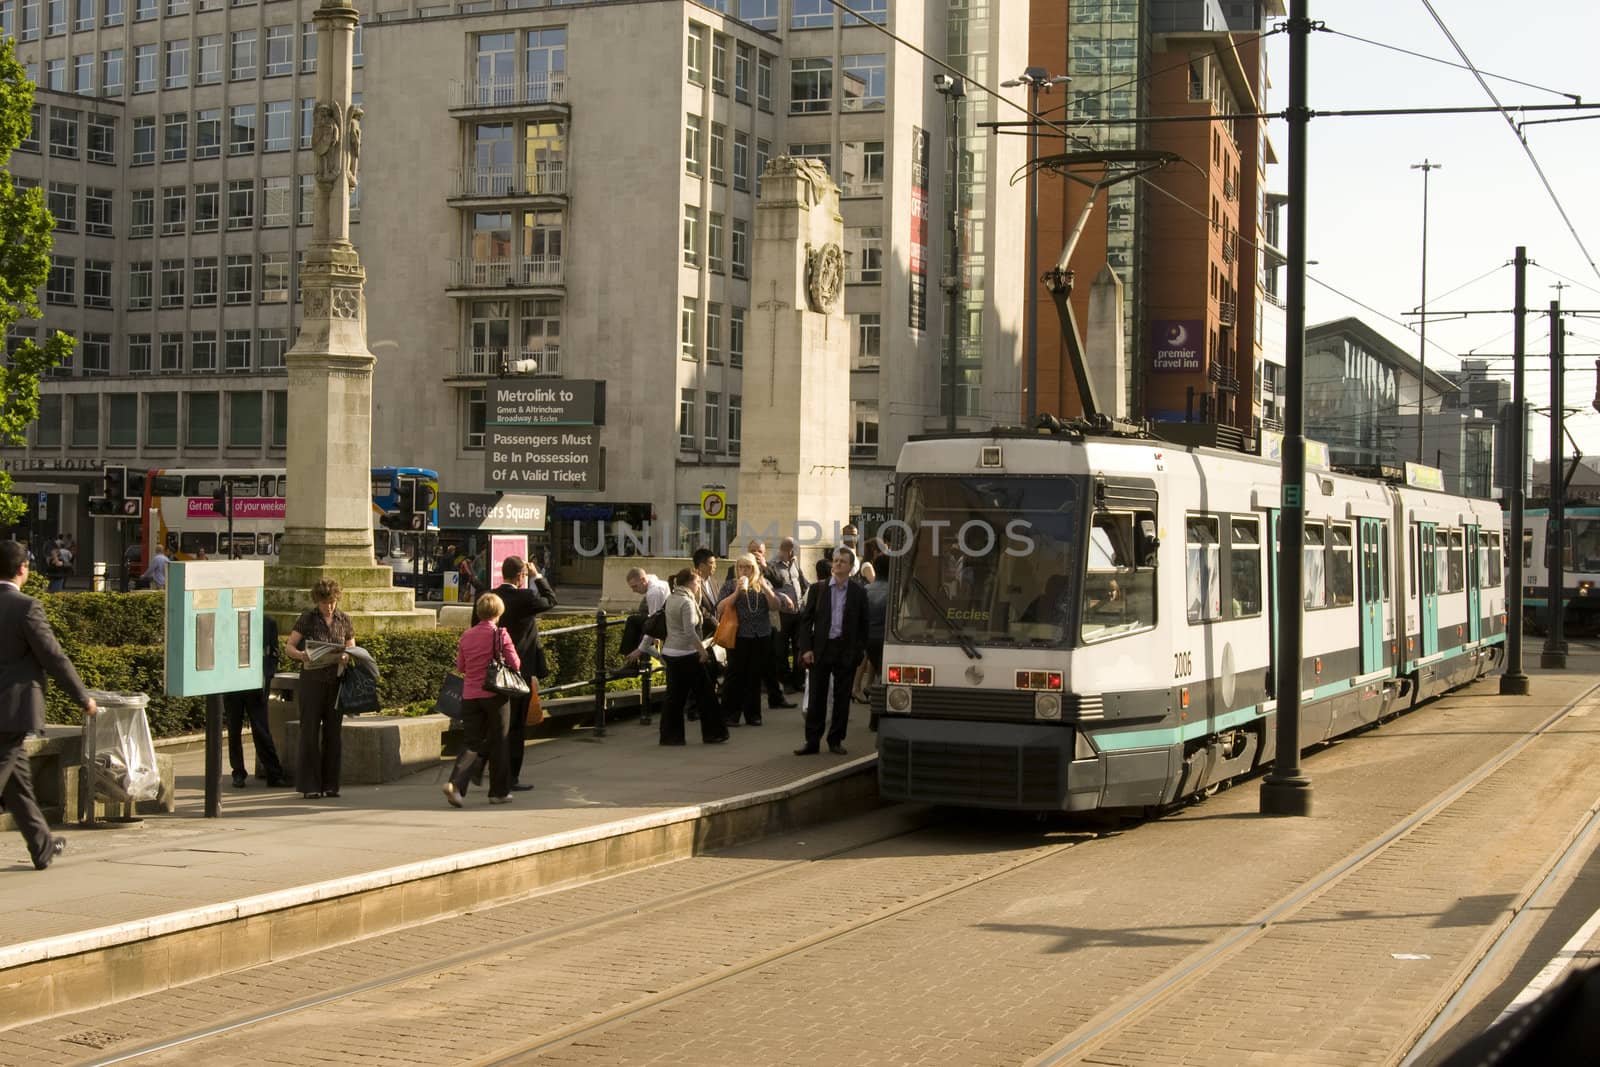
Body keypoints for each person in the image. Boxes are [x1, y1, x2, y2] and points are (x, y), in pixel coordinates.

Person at [0, 541, 97, 870]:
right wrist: (82, 697)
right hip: (13, 710)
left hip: (7, 713)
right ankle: (41, 844)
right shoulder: (27, 607)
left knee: (18, 784)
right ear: (22, 569)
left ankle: (41, 845)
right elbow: (53, 657)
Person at [444, 592, 520, 807]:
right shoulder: (500, 634)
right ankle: (498, 792)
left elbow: (461, 667)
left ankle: (456, 785)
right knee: (499, 742)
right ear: (498, 612)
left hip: (470, 695)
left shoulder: (467, 635)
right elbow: (515, 664)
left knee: (471, 741)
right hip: (495, 695)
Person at [284, 578, 356, 799]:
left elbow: (353, 646)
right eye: (325, 602)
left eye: (333, 602)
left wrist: (346, 655)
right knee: (309, 732)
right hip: (312, 683)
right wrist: (301, 655)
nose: (330, 606)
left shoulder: (344, 619)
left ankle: (331, 785)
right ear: (318, 601)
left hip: (335, 683)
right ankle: (310, 785)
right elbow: (289, 646)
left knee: (333, 734)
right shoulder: (307, 618)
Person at [796, 547, 870, 756]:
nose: (837, 564)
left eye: (842, 562)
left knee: (841, 697)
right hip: (822, 648)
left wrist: (858, 652)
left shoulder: (858, 592)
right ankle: (812, 741)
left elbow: (864, 624)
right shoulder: (818, 589)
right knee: (816, 697)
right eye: (835, 561)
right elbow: (806, 621)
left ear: (850, 567)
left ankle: (836, 740)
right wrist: (806, 649)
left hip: (845, 650)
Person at [492, 555, 556, 791]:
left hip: (494, 671)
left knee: (498, 725)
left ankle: (492, 771)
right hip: (520, 670)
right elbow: (551, 599)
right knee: (517, 726)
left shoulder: (489, 596)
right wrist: (536, 575)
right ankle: (512, 777)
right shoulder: (526, 597)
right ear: (521, 576)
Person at [659, 569, 728, 746]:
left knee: (674, 697)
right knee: (706, 696)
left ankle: (670, 736)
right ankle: (714, 733)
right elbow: (689, 631)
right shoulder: (686, 602)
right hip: (687, 654)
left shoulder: (672, 598)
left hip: (671, 652)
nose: (699, 586)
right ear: (690, 583)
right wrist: (702, 652)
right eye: (697, 582)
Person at [224, 614, 289, 788]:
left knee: (261, 729)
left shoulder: (268, 622)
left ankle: (274, 773)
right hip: (233, 682)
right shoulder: (229, 619)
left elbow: (274, 651)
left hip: (257, 683)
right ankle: (238, 773)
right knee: (234, 728)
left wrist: (268, 675)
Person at [717, 554, 782, 727]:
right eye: (741, 567)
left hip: (760, 635)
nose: (745, 571)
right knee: (735, 675)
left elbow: (776, 606)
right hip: (738, 635)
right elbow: (720, 608)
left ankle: (753, 714)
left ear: (755, 569)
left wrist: (766, 589)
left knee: (754, 676)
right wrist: (737, 592)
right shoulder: (731, 585)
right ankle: (730, 714)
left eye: (748, 567)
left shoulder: (764, 584)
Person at [771, 537, 809, 693]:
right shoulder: (772, 566)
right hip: (782, 613)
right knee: (781, 649)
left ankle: (798, 681)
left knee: (799, 647)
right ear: (790, 550)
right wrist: (782, 598)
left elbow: (802, 582)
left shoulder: (795, 563)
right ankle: (785, 681)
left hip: (798, 612)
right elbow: (769, 589)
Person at [854, 562, 888, 706]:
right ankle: (874, 697)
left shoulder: (865, 589)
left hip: (867, 636)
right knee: (881, 673)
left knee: (870, 660)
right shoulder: (893, 590)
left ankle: (865, 688)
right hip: (885, 637)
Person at [622, 566, 670, 666]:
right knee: (637, 629)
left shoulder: (653, 592)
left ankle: (630, 664)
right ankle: (631, 663)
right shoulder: (658, 582)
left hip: (666, 625)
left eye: (635, 586)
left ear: (643, 580)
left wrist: (638, 651)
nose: (633, 590)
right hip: (666, 622)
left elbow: (654, 624)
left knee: (632, 621)